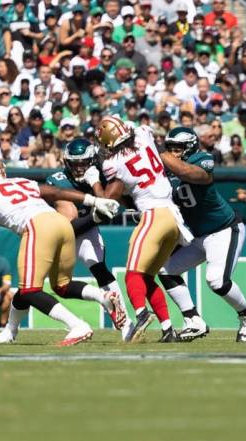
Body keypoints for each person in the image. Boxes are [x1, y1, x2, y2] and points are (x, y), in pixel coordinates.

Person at [0, 155, 123, 345]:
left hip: (38, 226)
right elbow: (58, 192)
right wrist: (94, 200)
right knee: (61, 286)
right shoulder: (20, 181)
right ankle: (102, 297)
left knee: (29, 290)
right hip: (63, 225)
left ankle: (77, 325)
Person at [156, 127, 246, 343]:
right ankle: (193, 321)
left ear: (190, 147)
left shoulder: (203, 159)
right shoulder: (165, 171)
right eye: (170, 148)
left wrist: (160, 154)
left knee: (217, 281)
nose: (173, 153)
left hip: (223, 229)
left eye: (178, 148)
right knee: (165, 270)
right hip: (196, 236)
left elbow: (189, 174)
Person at [95, 116, 193, 342]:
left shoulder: (112, 164)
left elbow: (110, 200)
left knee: (132, 275)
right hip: (173, 218)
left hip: (153, 216)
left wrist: (95, 182)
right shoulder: (143, 133)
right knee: (147, 278)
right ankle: (169, 330)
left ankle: (141, 314)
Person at [45, 138, 133, 340]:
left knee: (99, 270)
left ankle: (126, 322)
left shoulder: (103, 175)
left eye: (83, 162)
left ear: (93, 160)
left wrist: (95, 183)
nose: (79, 168)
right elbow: (68, 220)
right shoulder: (58, 180)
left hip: (88, 230)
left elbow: (110, 204)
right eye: (74, 163)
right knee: (58, 286)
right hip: (65, 233)